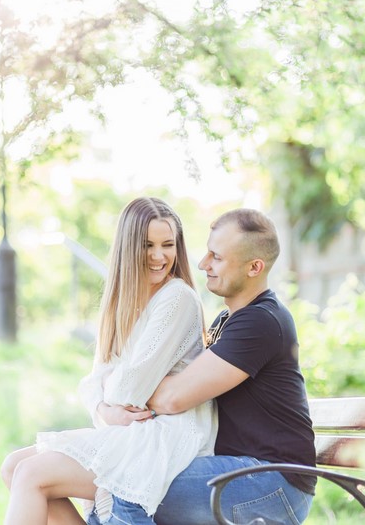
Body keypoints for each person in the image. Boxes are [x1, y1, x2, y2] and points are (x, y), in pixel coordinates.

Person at [90, 208, 316, 525]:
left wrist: (121, 381)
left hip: (272, 483)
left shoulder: (261, 321)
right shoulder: (228, 321)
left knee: (130, 480)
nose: (202, 264)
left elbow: (173, 398)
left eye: (216, 257)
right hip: (243, 471)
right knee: (109, 489)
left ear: (255, 267)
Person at [0, 197, 217, 524]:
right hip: (132, 431)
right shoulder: (123, 304)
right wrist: (104, 408)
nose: (159, 256)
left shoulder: (178, 298)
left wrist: (109, 392)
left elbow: (127, 387)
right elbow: (93, 383)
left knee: (30, 474)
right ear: (129, 248)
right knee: (13, 467)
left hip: (166, 436)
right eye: (148, 245)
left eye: (167, 245)